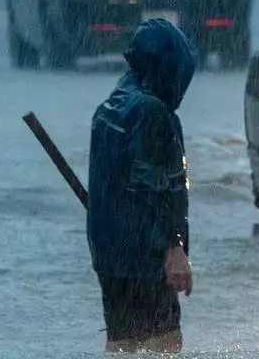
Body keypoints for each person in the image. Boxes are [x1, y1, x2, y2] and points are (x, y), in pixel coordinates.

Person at [87, 18, 197, 353]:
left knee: (122, 345)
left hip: (110, 256)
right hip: (146, 259)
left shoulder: (109, 108)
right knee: (164, 345)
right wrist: (173, 247)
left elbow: (114, 189)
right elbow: (155, 190)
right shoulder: (153, 113)